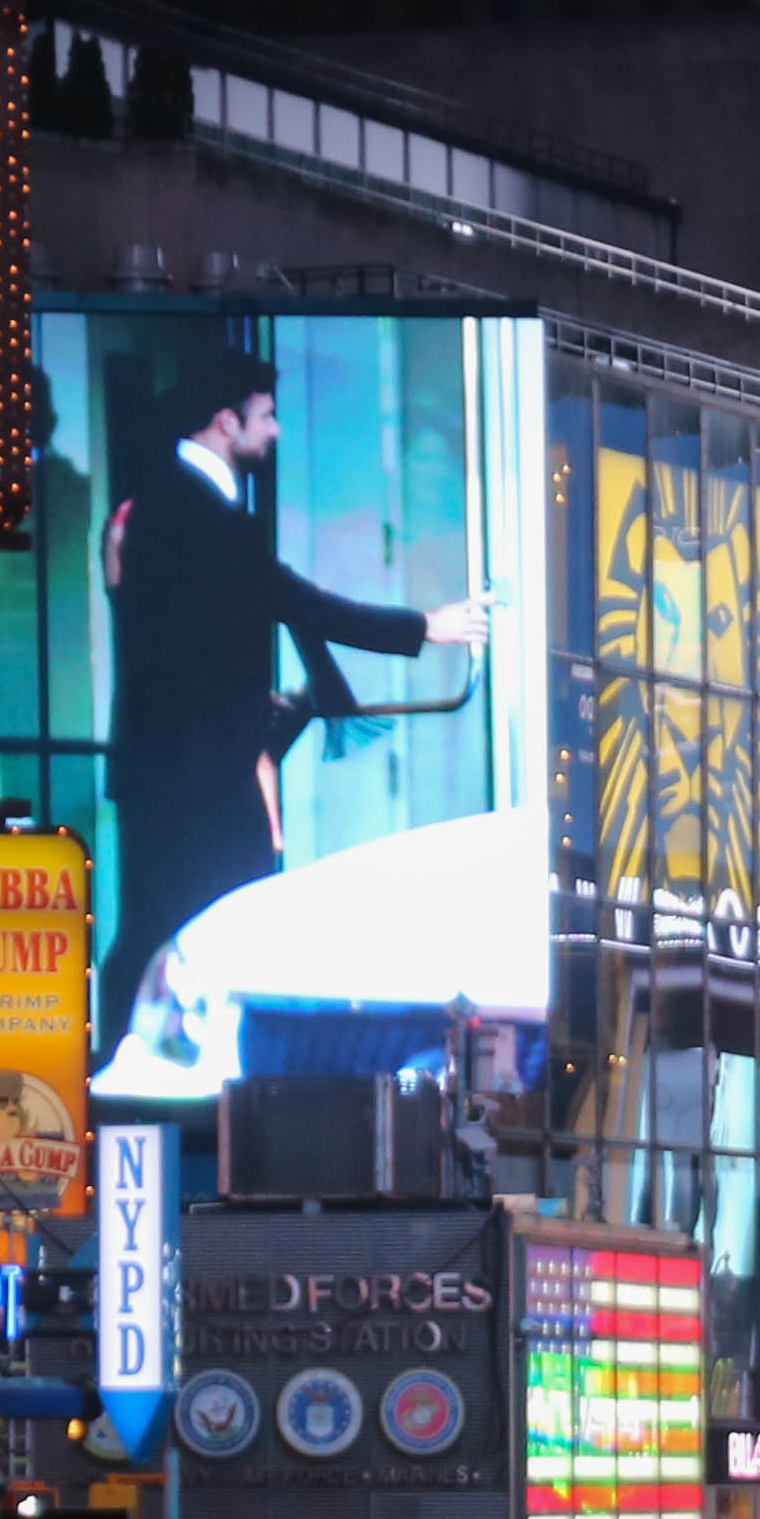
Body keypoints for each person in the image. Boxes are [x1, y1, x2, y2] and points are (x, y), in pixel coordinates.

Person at [97, 344, 497, 1044]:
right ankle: (165, 1066)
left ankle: (137, 1057)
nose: (277, 430)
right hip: (201, 777)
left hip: (170, 769)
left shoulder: (155, 505)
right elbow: (301, 604)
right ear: (225, 422)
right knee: (216, 917)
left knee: (159, 919)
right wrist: (424, 627)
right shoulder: (205, 518)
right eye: (267, 416)